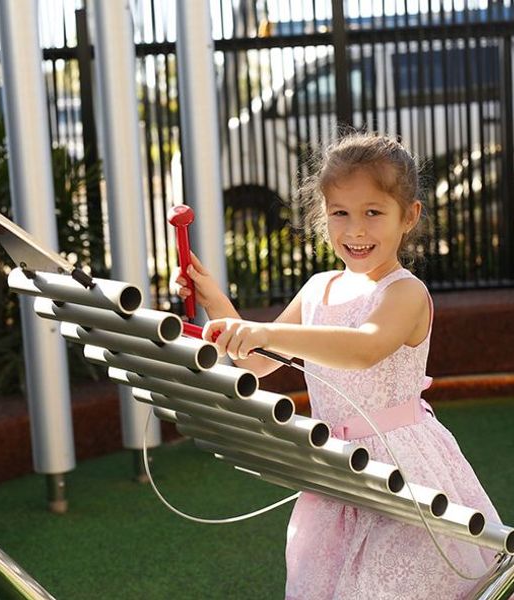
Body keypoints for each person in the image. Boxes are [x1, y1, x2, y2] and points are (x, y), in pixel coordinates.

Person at [174, 132, 502, 599]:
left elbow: (364, 347)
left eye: (373, 212)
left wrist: (268, 331)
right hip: (333, 471)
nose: (356, 230)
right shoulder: (318, 289)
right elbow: (253, 361)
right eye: (340, 213)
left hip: (402, 471)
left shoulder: (404, 292)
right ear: (323, 215)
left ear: (409, 216)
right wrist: (213, 298)